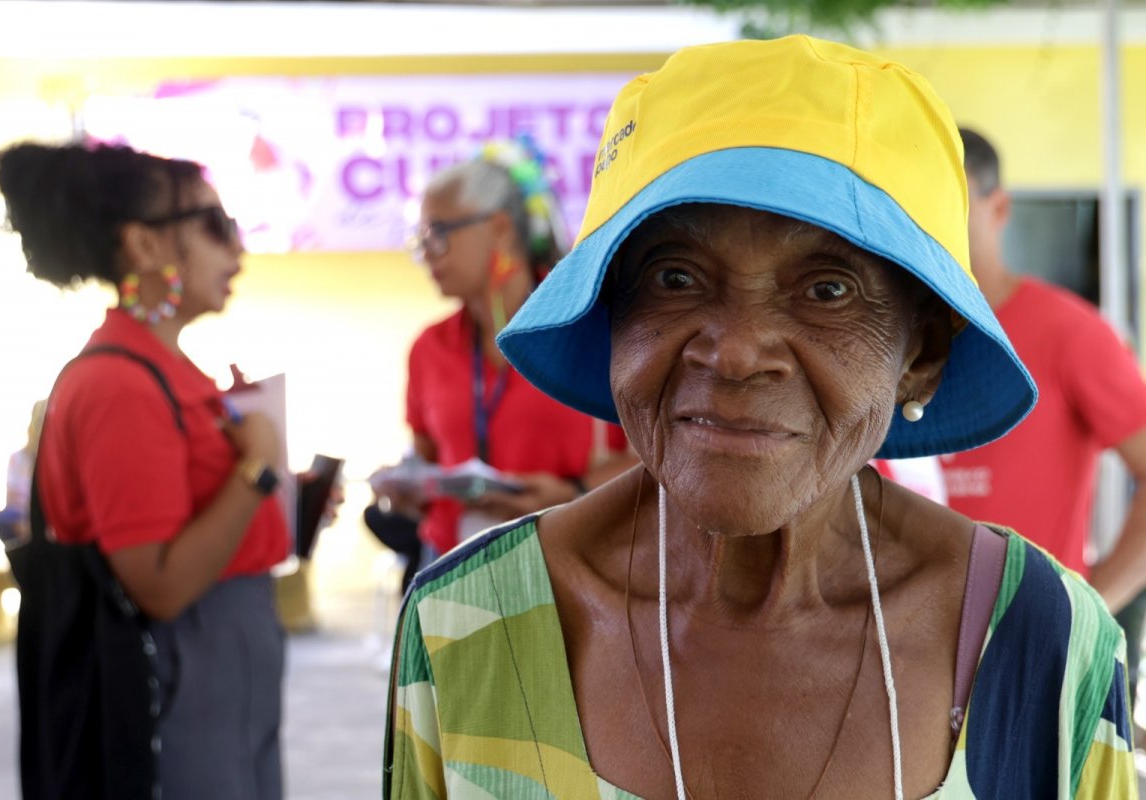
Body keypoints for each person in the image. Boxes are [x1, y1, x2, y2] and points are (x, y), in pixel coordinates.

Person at [384, 36, 1137, 799]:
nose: (738, 353)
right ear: (611, 317)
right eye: (674, 277)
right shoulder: (463, 627)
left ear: (922, 352)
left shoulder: (1045, 646)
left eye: (828, 289)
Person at [0, 141, 289, 799]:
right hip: (181, 672)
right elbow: (160, 584)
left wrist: (277, 497)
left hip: (225, 664)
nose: (235, 247)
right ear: (145, 246)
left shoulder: (166, 369)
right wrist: (257, 473)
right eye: (213, 224)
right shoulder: (121, 386)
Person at [941, 128, 1146, 698]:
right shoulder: (886, 343)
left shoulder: (1069, 334)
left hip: (1033, 667)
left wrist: (1086, 608)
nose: (936, 225)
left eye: (954, 205)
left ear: (999, 208)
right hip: (902, 654)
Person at [377, 136, 636, 561]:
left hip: (570, 559)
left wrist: (574, 493)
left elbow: (657, 462)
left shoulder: (588, 327)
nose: (426, 253)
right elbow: (425, 459)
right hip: (454, 567)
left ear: (499, 228)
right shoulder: (429, 347)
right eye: (420, 238)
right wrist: (408, 488)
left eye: (438, 233)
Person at [0, 398, 47, 543]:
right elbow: (12, 498)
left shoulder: (50, 459)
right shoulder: (18, 458)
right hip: (21, 514)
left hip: (41, 515)